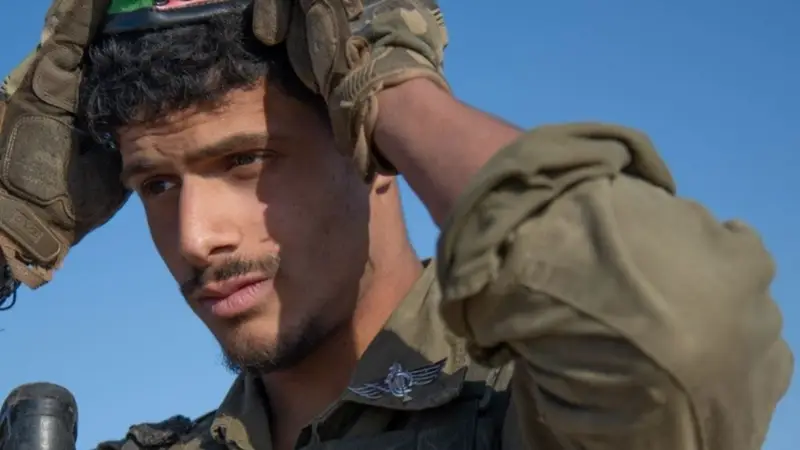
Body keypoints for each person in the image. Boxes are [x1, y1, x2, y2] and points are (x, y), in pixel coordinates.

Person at [0, 0, 793, 449]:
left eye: (246, 160)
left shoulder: (526, 420)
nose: (195, 237)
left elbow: (689, 340)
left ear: (371, 147)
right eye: (157, 184)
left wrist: (393, 89)